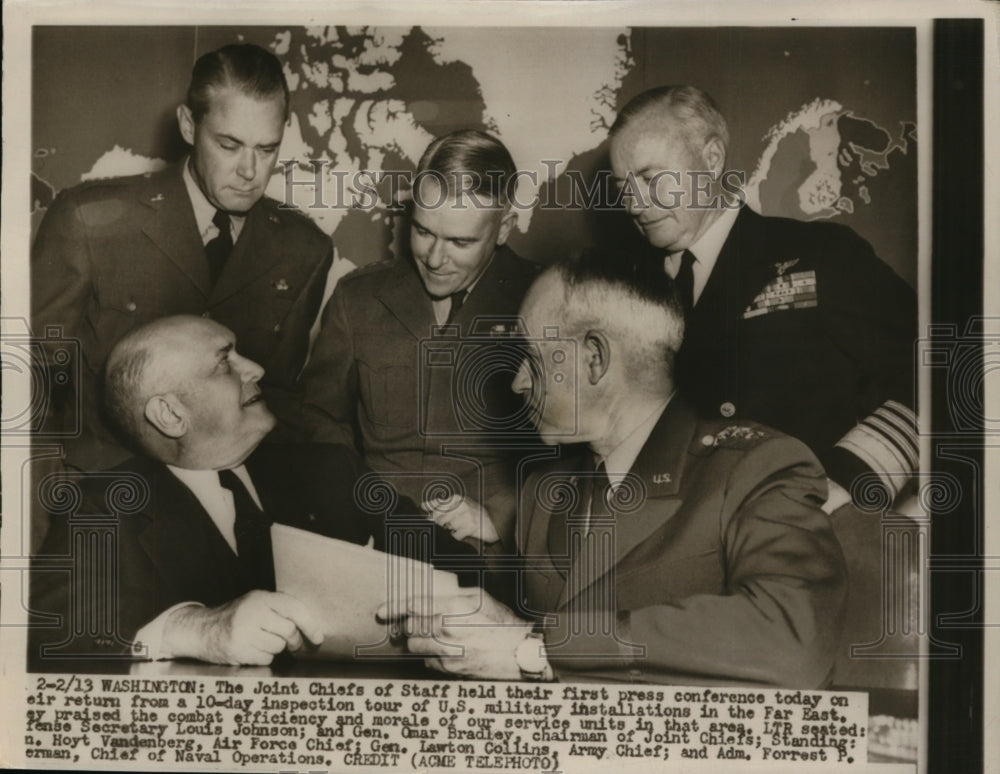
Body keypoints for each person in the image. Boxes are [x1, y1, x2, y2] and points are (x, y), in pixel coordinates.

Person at [380, 253, 847, 687]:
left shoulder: (754, 467)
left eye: (532, 358)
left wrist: (537, 649)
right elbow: (510, 624)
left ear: (595, 359)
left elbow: (794, 638)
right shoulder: (544, 491)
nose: (518, 382)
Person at [29, 316, 478, 668]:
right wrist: (198, 630)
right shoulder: (103, 507)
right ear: (170, 414)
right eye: (225, 362)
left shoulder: (331, 470)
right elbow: (48, 631)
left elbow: (470, 576)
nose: (256, 369)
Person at [607, 85, 918, 511]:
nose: (635, 205)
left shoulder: (820, 254)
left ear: (712, 159)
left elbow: (937, 365)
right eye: (623, 186)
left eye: (650, 179)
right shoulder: (621, 288)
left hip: (799, 528)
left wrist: (847, 483)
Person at [31, 43, 332, 474]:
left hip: (227, 493)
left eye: (267, 149)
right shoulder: (89, 221)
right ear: (189, 126)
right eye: (229, 145)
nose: (250, 171)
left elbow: (278, 394)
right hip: (105, 485)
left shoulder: (305, 249)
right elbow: (33, 377)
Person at [299, 129, 540, 548]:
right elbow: (321, 421)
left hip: (488, 553)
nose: (434, 258)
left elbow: (582, 450)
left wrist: (503, 516)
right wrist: (351, 505)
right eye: (423, 231)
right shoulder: (358, 298)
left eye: (460, 242)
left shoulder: (547, 301)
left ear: (503, 229)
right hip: (375, 545)